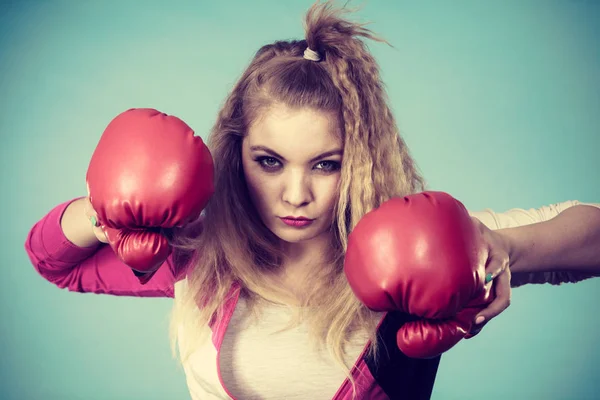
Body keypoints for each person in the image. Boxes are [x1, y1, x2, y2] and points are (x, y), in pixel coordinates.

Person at [23, 2, 600, 399]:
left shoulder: (414, 247)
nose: (295, 195)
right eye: (269, 161)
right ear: (235, 153)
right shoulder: (199, 258)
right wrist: (103, 214)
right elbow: (54, 261)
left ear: (360, 161)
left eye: (327, 164)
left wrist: (499, 248)